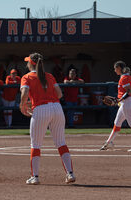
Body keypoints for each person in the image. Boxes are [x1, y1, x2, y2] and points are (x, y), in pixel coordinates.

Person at [20, 53, 75, 185]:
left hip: (40, 109)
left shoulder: (27, 77)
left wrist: (22, 105)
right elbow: (59, 94)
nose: (26, 63)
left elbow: (25, 93)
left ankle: (35, 176)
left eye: (28, 61)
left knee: (36, 144)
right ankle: (70, 173)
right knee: (61, 143)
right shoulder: (49, 76)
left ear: (30, 64)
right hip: (57, 108)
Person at [100, 61, 131, 152]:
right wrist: (119, 100)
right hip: (125, 102)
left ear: (119, 68)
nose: (115, 70)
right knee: (117, 123)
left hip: (127, 102)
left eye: (115, 68)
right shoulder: (126, 76)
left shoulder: (124, 77)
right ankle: (109, 142)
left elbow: (129, 92)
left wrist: (119, 100)